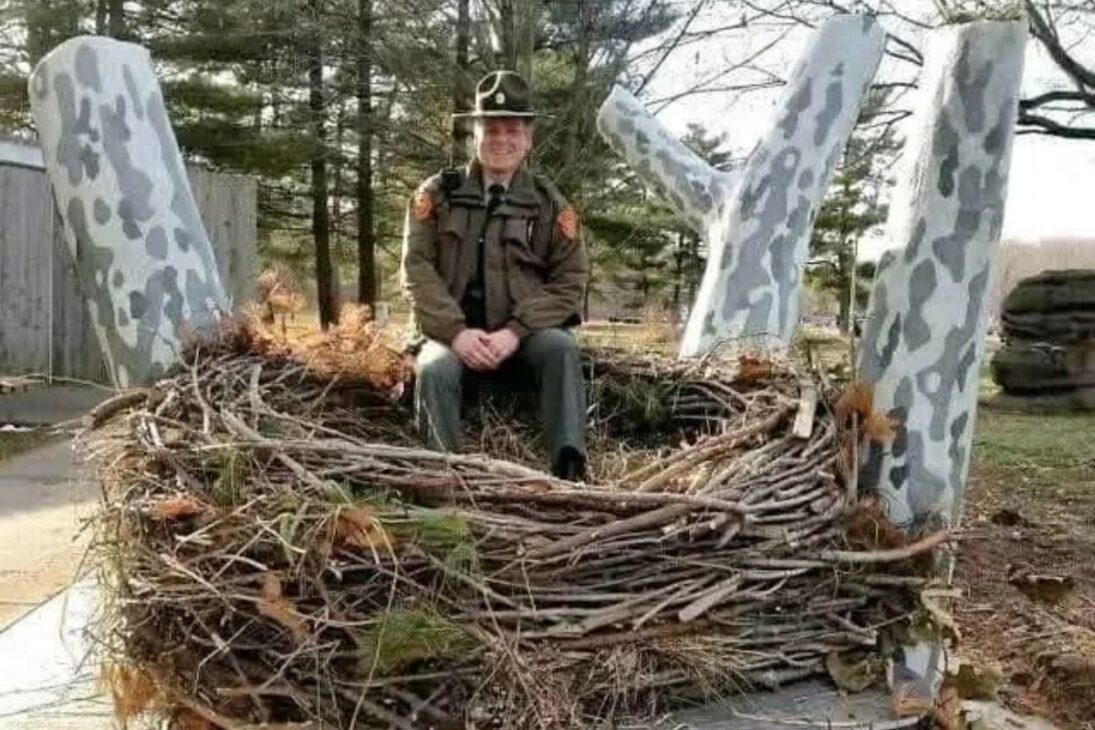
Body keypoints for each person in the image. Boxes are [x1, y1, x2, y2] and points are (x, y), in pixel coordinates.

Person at [400, 70, 589, 481]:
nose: (501, 140)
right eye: (491, 129)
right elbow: (416, 270)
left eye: (512, 130)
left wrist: (515, 332)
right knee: (432, 369)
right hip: (450, 338)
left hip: (522, 339)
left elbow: (571, 279)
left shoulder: (548, 204)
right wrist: (456, 333)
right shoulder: (436, 195)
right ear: (474, 135)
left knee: (560, 347)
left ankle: (570, 466)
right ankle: (443, 479)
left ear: (528, 140)